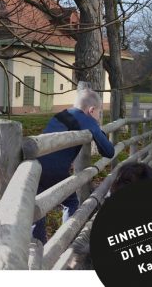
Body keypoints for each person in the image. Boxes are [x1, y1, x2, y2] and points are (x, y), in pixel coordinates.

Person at [32, 89, 115, 244]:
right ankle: (64, 242)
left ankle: (37, 249)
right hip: (54, 170)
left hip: (36, 166)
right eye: (99, 113)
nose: (98, 117)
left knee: (37, 209)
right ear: (91, 110)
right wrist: (97, 129)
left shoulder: (63, 113)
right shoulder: (87, 119)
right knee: (71, 202)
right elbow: (109, 151)